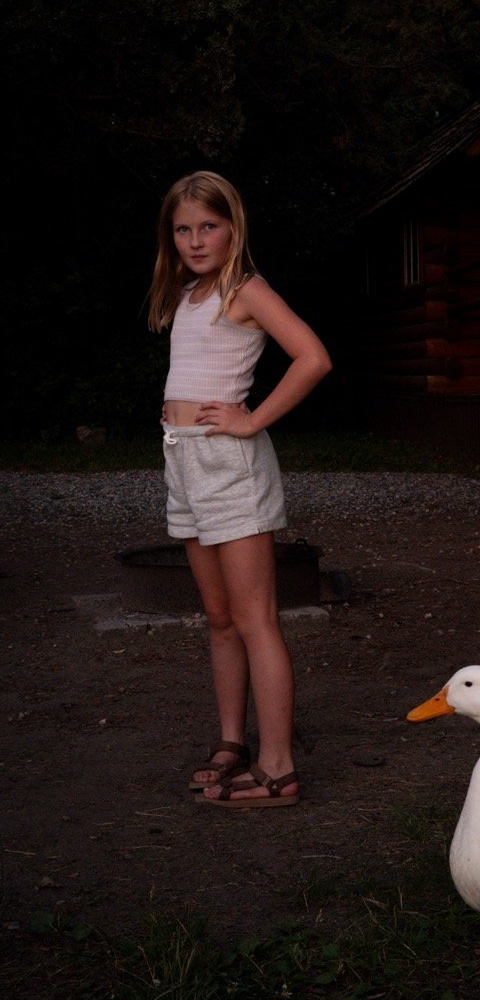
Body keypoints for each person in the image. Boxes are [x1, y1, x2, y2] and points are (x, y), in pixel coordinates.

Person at [148, 170, 332, 806]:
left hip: (231, 466)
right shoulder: (190, 294)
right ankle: (233, 742)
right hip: (185, 463)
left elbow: (313, 357)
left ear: (233, 228)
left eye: (209, 226)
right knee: (220, 619)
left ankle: (278, 768)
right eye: (184, 229)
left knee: (256, 619)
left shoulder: (246, 289)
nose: (196, 240)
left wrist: (250, 418)